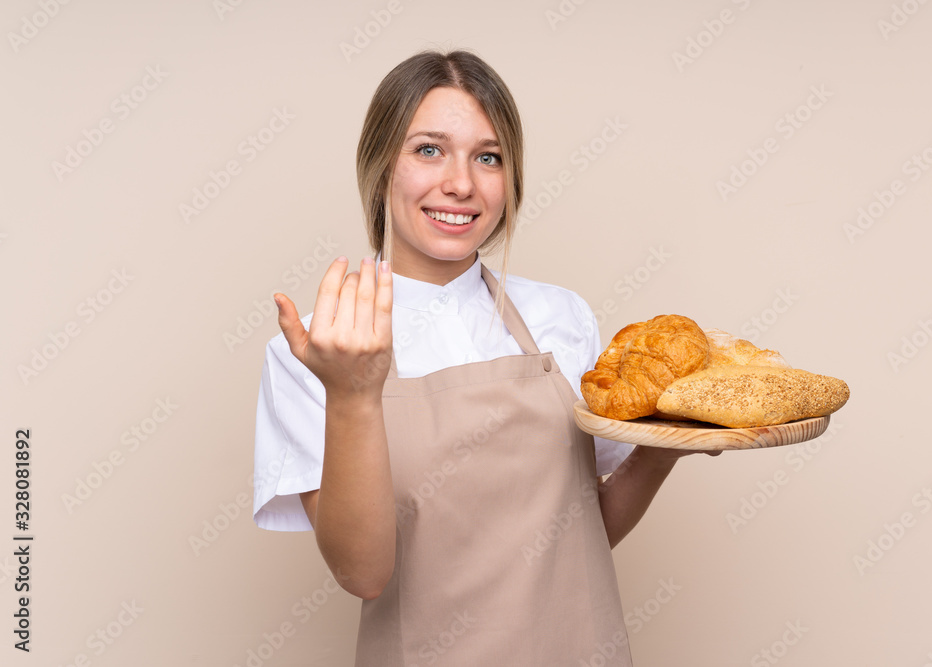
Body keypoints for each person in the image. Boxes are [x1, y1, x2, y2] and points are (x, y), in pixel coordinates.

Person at [253, 48, 715, 666]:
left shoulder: (562, 319)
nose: (462, 183)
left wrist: (660, 451)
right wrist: (353, 392)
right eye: (428, 149)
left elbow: (581, 533)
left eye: (488, 157)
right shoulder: (318, 347)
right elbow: (363, 572)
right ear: (379, 165)